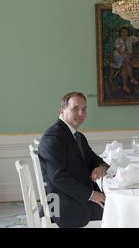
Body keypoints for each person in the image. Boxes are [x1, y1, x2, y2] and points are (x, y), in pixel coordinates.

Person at [38, 92, 109, 228]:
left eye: (84, 109)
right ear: (62, 111)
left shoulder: (78, 136)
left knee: (117, 203)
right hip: (62, 204)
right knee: (119, 210)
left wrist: (101, 166)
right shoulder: (53, 138)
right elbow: (58, 178)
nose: (81, 113)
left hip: (73, 196)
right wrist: (91, 195)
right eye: (75, 108)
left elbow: (94, 158)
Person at [112, 26, 139, 94]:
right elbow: (119, 52)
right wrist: (128, 54)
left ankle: (124, 86)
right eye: (122, 32)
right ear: (120, 33)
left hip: (127, 57)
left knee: (124, 65)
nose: (124, 33)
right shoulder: (117, 40)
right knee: (125, 60)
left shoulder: (131, 38)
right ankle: (132, 78)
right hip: (118, 57)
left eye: (125, 32)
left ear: (128, 32)